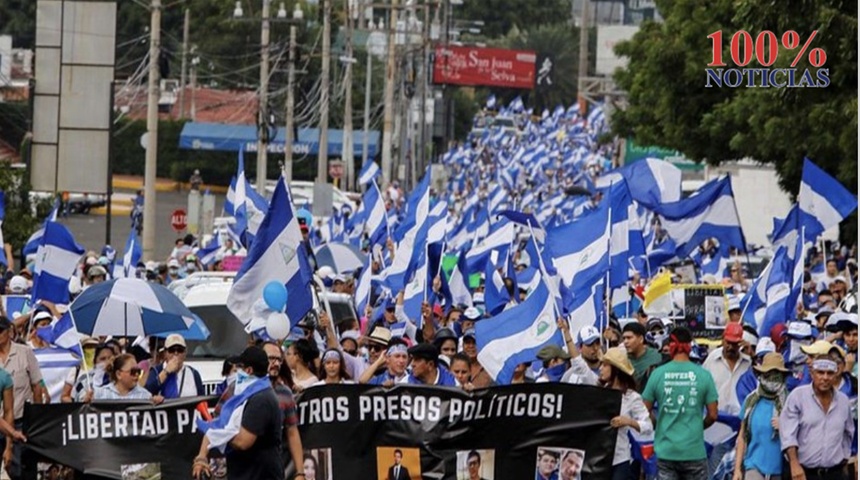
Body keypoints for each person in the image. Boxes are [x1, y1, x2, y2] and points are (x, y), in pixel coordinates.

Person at [193, 346, 289, 480]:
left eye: (240, 367)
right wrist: (201, 457)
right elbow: (218, 424)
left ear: (249, 370)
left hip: (261, 475)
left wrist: (221, 434)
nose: (237, 372)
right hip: (242, 473)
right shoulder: (240, 394)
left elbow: (242, 442)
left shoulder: (261, 399)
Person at [642, 326, 718, 480]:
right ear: (690, 346)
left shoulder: (658, 374)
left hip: (666, 451)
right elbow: (713, 415)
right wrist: (699, 426)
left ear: (671, 346)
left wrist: (658, 424)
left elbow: (644, 411)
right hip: (694, 451)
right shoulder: (703, 375)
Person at [780, 343, 855, 480]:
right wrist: (794, 464)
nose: (825, 377)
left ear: (835, 374)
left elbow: (848, 433)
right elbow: (788, 435)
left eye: (829, 373)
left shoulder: (843, 401)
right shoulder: (798, 397)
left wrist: (844, 458)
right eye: (820, 372)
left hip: (834, 473)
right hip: (804, 473)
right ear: (813, 373)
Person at [732, 353, 788, 480]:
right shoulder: (751, 401)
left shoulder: (788, 402)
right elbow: (742, 437)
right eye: (768, 375)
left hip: (780, 470)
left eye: (776, 375)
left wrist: (784, 426)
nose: (772, 380)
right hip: (753, 466)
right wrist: (737, 469)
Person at [0, 316, 44, 479]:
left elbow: (36, 386)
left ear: (9, 332)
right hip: (1, 422)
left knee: (19, 471)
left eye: (0, 331)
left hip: (20, 420)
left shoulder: (25, 352)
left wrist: (38, 417)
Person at [599, 347, 652, 480]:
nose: (601, 368)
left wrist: (629, 422)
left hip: (620, 458)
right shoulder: (599, 392)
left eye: (605, 365)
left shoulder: (632, 397)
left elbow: (648, 426)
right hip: (599, 457)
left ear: (615, 370)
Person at [703, 322, 752, 415]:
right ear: (723, 340)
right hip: (716, 417)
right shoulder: (712, 359)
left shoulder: (748, 362)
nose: (730, 347)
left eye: (734, 344)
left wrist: (753, 355)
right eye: (728, 343)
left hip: (739, 418)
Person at [144, 334, 203, 400]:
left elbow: (202, 399)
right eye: (171, 350)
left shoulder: (193, 373)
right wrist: (166, 372)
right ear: (165, 353)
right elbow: (146, 392)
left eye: (180, 350)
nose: (176, 353)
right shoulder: (156, 371)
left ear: (185, 353)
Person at [621, 322, 663, 390]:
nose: (625, 342)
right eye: (624, 338)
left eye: (629, 338)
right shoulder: (622, 359)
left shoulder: (656, 357)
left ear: (641, 339)